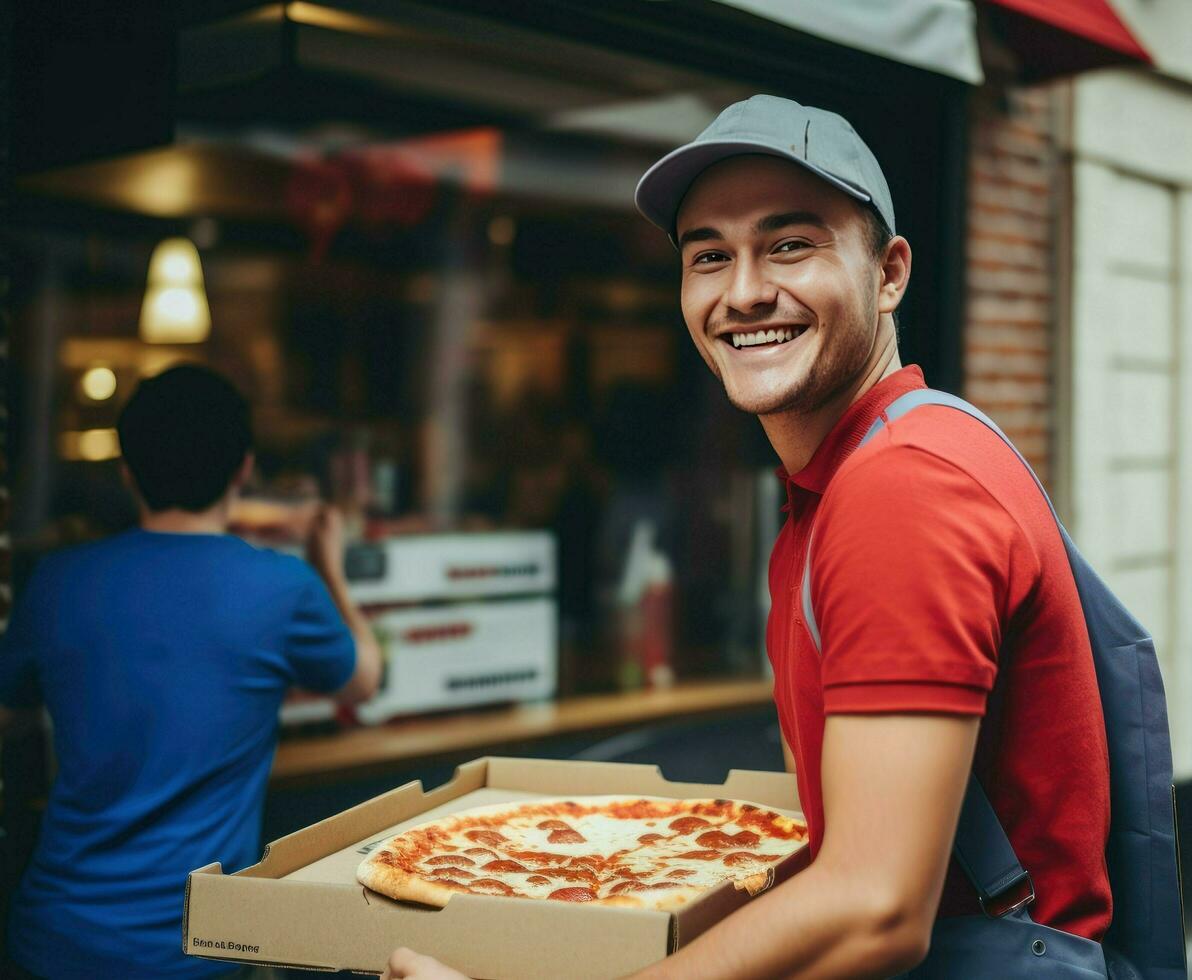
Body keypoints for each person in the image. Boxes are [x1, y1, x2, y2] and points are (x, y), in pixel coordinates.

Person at [383, 94, 1110, 980]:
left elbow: (873, 910)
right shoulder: (881, 462)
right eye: (709, 257)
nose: (744, 292)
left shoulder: (903, 489)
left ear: (889, 274)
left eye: (790, 245)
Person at [0, 365, 383, 979]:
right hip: (198, 949)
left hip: (52, 941)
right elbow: (364, 679)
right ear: (243, 469)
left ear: (127, 472)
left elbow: (10, 708)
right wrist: (329, 565)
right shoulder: (280, 587)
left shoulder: (58, 583)